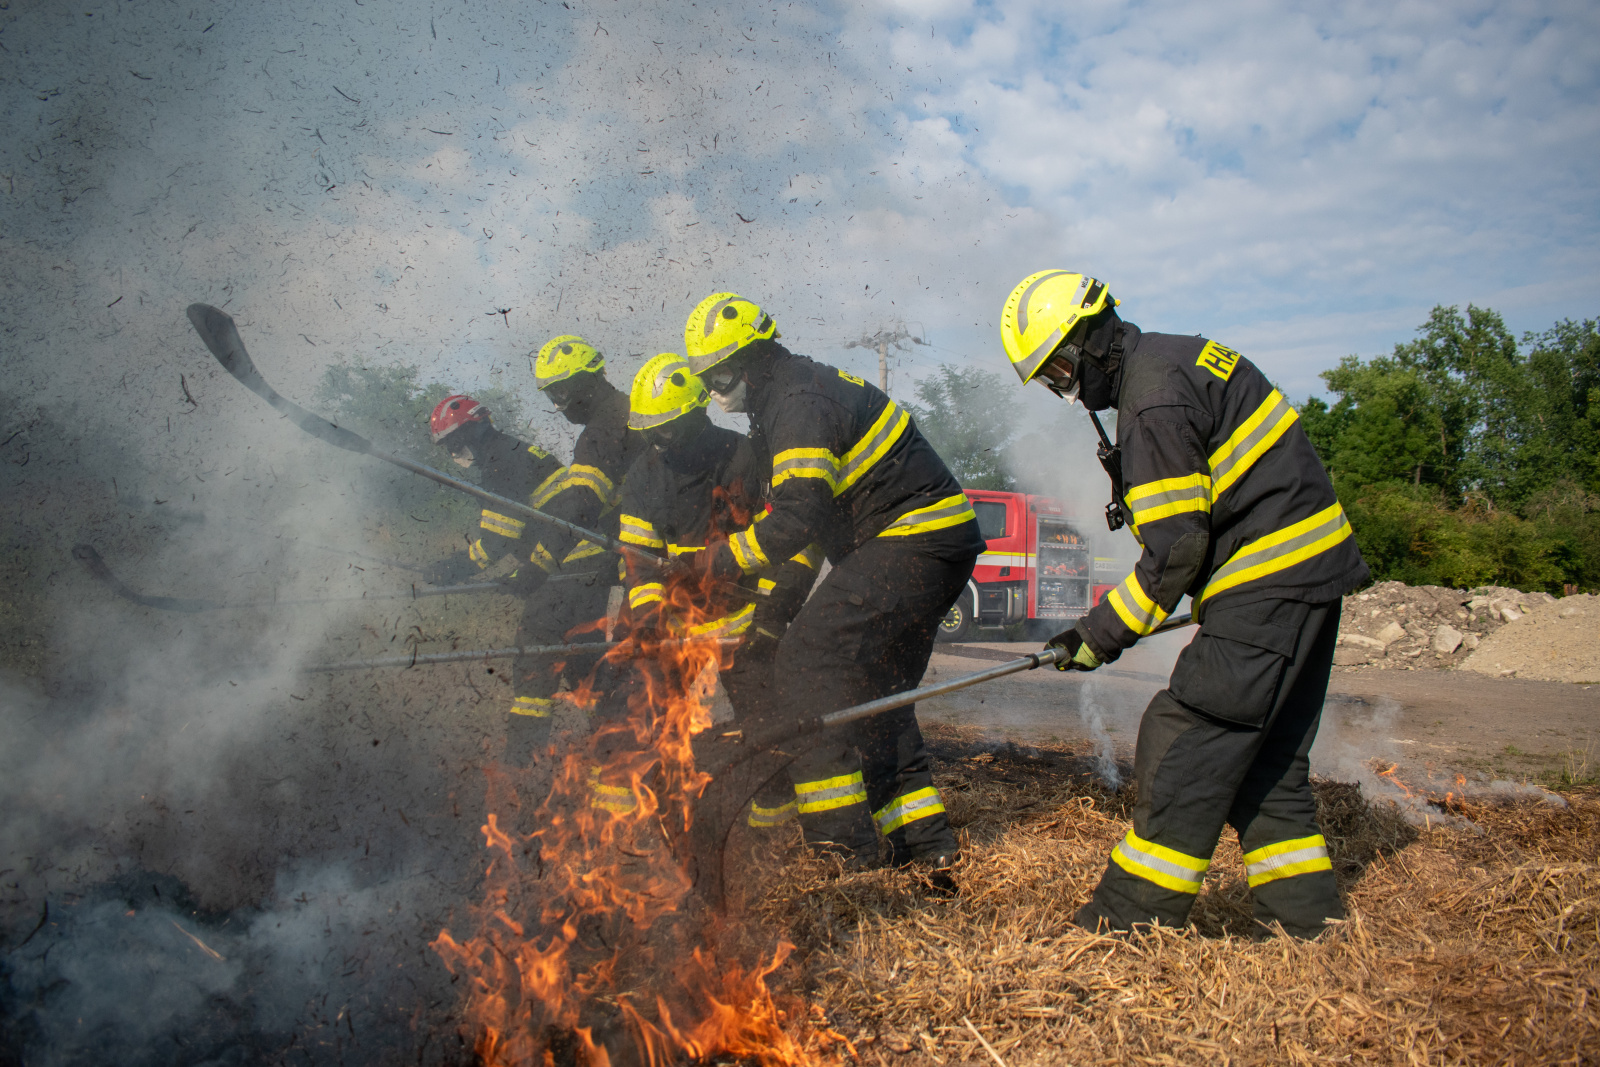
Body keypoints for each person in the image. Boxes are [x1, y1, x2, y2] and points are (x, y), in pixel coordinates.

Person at [998, 270, 1370, 938]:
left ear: (1091, 335)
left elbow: (1175, 551)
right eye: (1050, 380)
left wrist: (1098, 633)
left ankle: (1128, 923)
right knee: (1267, 764)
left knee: (1186, 737)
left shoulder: (1153, 402)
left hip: (1268, 583)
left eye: (1058, 368)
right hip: (1305, 580)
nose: (1066, 388)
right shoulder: (1171, 361)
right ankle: (1308, 924)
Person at [686, 293, 981, 878]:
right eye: (705, 381)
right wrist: (773, 611)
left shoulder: (796, 401)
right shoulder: (788, 400)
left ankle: (842, 855)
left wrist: (718, 563)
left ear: (753, 357)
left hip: (912, 539)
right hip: (928, 544)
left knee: (805, 668)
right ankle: (923, 846)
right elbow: (814, 528)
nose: (715, 392)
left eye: (719, 374)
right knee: (875, 693)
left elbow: (796, 517)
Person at [610, 353, 820, 828]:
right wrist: (647, 622)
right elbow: (639, 562)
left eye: (664, 428)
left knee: (762, 714)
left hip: (740, 613)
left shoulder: (743, 456)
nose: (656, 441)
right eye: (648, 430)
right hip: (676, 617)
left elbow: (780, 540)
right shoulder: (644, 474)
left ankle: (775, 817)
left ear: (692, 417)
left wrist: (772, 612)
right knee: (661, 714)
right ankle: (672, 810)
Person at [428, 394, 606, 763]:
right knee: (582, 660)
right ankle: (615, 739)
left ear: (475, 432)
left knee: (534, 656)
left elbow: (495, 542)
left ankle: (522, 764)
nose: (454, 454)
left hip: (563, 570)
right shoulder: (514, 451)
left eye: (455, 444)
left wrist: (450, 569)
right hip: (582, 567)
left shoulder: (499, 464)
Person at [494, 335, 647, 758]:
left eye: (561, 392)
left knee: (630, 668)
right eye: (551, 396)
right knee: (605, 669)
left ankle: (524, 766)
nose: (559, 405)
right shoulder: (631, 410)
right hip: (646, 554)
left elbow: (581, 505)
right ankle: (618, 753)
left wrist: (538, 565)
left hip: (648, 562)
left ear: (587, 381)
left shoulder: (600, 433)